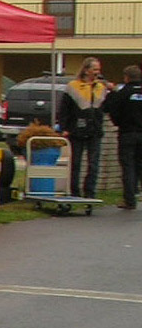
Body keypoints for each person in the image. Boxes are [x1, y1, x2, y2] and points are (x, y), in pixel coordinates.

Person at [57, 56, 114, 198]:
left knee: (93, 163)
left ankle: (90, 192)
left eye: (98, 70)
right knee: (76, 163)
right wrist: (64, 127)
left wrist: (112, 92)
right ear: (86, 70)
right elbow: (64, 109)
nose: (97, 72)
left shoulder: (100, 87)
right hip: (76, 129)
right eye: (94, 69)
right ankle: (74, 191)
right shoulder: (73, 86)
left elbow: (107, 107)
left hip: (94, 130)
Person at [104, 64, 142, 211]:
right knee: (139, 166)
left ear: (126, 78)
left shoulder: (123, 93)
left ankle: (129, 200)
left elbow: (110, 109)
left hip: (127, 134)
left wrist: (111, 92)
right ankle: (135, 191)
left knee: (128, 167)